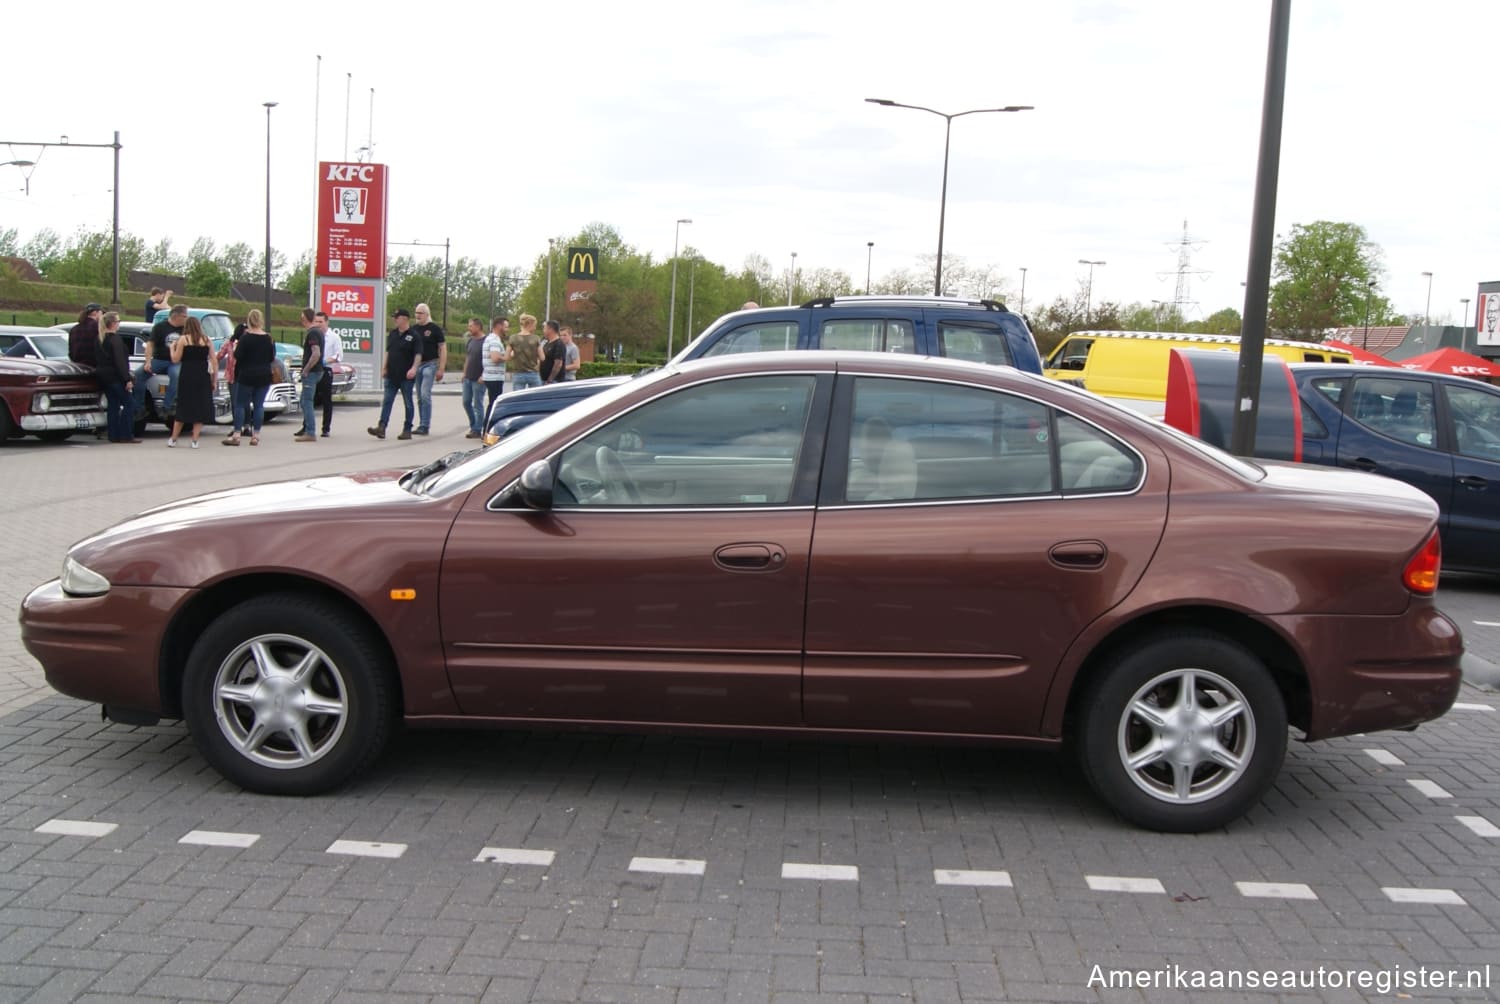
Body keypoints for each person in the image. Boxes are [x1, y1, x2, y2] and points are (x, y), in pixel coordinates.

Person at [369, 308, 422, 440]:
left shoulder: (414, 336)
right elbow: (388, 352)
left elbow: (418, 354)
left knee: (408, 403)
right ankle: (381, 427)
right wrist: (384, 367)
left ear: (404, 319)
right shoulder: (392, 334)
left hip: (406, 376)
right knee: (387, 401)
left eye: (396, 318)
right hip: (391, 374)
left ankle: (407, 429)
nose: (394, 320)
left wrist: (414, 368)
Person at [226, 309, 274, 446]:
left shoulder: (245, 338)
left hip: (247, 373)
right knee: (259, 405)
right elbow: (271, 357)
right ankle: (256, 435)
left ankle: (236, 434)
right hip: (264, 374)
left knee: (240, 404)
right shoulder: (268, 338)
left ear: (249, 320)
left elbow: (237, 356)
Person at [167, 316, 216, 448]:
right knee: (200, 406)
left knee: (184, 405)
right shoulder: (206, 340)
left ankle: (174, 438)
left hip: (187, 375)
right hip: (202, 375)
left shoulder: (184, 339)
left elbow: (175, 359)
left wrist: (172, 348)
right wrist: (214, 379)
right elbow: (214, 360)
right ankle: (195, 439)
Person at [134, 303, 186, 419]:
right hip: (159, 359)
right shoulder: (160, 327)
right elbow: (150, 344)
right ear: (177, 316)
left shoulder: (185, 329)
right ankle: (139, 408)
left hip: (176, 361)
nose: (186, 318)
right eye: (184, 316)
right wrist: (147, 362)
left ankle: (167, 407)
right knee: (138, 375)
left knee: (176, 375)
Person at [96, 312, 139, 443]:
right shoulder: (116, 340)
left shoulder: (100, 338)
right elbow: (120, 362)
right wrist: (127, 380)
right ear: (113, 324)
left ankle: (113, 434)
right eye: (118, 321)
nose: (119, 324)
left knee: (113, 405)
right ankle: (126, 434)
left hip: (104, 376)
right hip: (116, 377)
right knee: (129, 403)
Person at [412, 302, 446, 435]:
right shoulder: (414, 329)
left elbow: (442, 348)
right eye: (416, 313)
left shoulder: (434, 329)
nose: (417, 315)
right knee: (420, 396)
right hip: (417, 365)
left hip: (430, 364)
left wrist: (441, 368)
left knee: (425, 394)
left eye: (420, 313)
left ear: (427, 314)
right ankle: (422, 424)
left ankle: (425, 425)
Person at [294, 307, 324, 442]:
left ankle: (310, 431)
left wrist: (306, 370)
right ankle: (307, 428)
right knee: (304, 400)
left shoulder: (312, 333)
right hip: (317, 371)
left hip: (311, 372)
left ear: (305, 318)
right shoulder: (319, 332)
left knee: (307, 401)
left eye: (302, 317)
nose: (301, 320)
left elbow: (316, 353)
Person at [314, 310, 341, 436]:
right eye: (316, 321)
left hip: (325, 369)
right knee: (309, 398)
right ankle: (307, 427)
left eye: (321, 322)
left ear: (326, 322)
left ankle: (326, 428)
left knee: (326, 400)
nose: (318, 324)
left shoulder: (334, 337)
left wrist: (325, 361)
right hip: (314, 369)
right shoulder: (313, 335)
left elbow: (338, 355)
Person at [460, 317, 487, 438]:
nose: (468, 328)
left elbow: (488, 360)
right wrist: (464, 373)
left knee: (478, 404)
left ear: (478, 327)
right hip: (468, 378)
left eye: (471, 326)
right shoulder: (470, 341)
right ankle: (473, 425)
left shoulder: (486, 341)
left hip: (479, 379)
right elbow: (468, 358)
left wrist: (484, 375)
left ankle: (477, 429)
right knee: (466, 402)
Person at [218, 322, 244, 432]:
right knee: (235, 402)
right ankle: (237, 426)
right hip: (232, 376)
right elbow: (220, 355)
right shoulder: (229, 343)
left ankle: (245, 425)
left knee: (244, 403)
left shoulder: (246, 343)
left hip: (244, 375)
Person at [508, 313, 543, 390]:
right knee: (536, 399)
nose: (535, 328)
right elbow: (542, 357)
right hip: (533, 373)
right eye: (534, 325)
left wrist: (514, 354)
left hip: (518, 373)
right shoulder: (536, 338)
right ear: (530, 324)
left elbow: (507, 357)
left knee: (518, 398)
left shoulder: (513, 338)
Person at [482, 317, 508, 413]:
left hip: (490, 376)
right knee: (494, 405)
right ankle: (488, 426)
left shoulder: (490, 338)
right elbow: (495, 358)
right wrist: (507, 356)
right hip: (495, 377)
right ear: (498, 326)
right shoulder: (494, 340)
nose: (507, 330)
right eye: (505, 327)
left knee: (492, 402)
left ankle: (487, 426)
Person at [539, 319, 567, 384]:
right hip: (543, 379)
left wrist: (550, 379)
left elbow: (558, 364)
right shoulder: (546, 343)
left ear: (550, 329)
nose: (543, 330)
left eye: (544, 328)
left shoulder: (559, 344)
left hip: (554, 381)